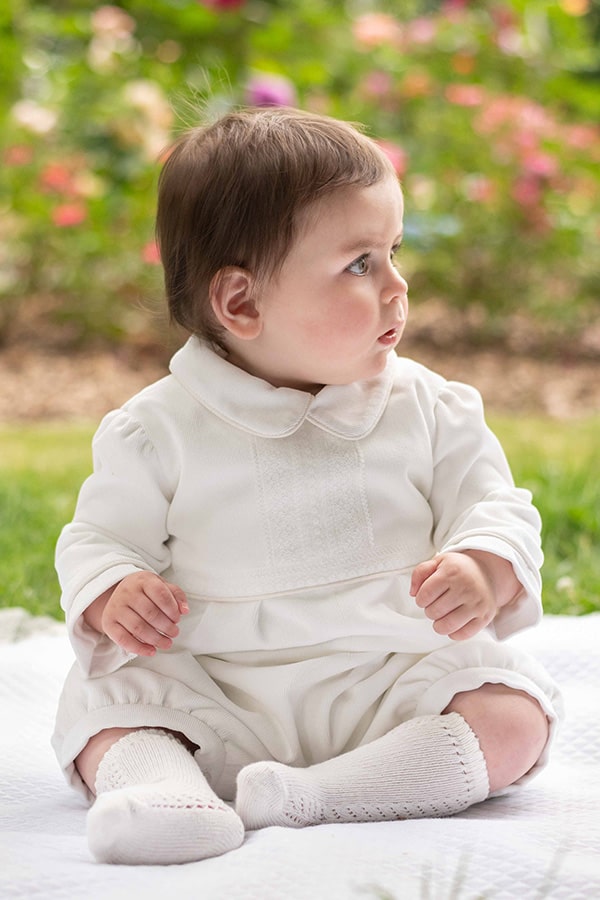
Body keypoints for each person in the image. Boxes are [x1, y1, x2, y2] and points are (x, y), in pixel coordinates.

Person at [52, 106, 562, 867]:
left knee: (514, 718)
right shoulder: (155, 430)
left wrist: (483, 562)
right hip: (218, 690)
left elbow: (495, 505)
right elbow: (97, 539)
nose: (398, 285)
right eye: (360, 264)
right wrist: (114, 589)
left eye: (393, 251)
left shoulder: (429, 408)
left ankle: (319, 795)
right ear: (243, 304)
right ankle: (167, 797)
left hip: (390, 678)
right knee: (113, 715)